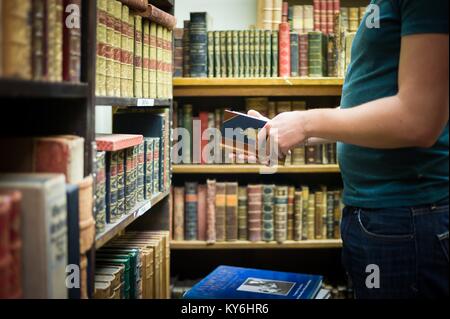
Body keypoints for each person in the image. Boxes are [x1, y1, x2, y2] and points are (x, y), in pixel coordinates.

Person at [249, 0, 448, 298]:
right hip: (381, 216)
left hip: (406, 216)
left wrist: (306, 123)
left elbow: (419, 119)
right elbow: (362, 109)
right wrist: (291, 130)